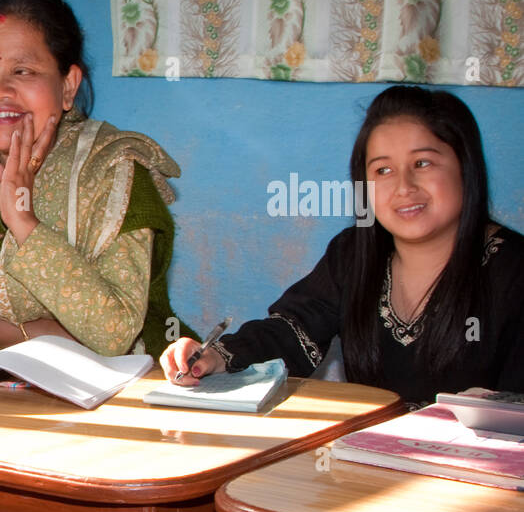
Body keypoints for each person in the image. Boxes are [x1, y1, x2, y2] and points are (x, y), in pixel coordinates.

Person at [161, 85, 524, 405]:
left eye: (423, 162)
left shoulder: (514, 270)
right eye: (383, 170)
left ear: (465, 167)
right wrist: (216, 357)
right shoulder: (354, 254)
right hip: (368, 460)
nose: (403, 186)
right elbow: (293, 331)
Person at [0, 0, 193, 359]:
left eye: (23, 71)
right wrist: (22, 334)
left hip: (119, 388)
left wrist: (22, 220)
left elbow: (114, 333)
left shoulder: (116, 168)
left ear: (68, 86)